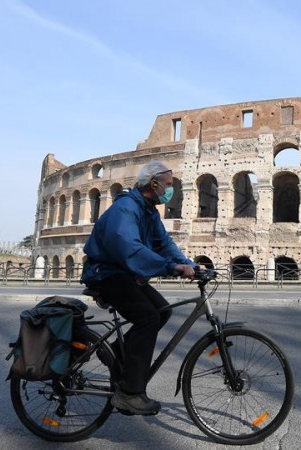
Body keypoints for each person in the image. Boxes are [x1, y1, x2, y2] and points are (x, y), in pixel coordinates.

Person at [81, 161, 196, 415]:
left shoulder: (148, 211)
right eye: (168, 184)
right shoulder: (126, 209)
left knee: (163, 310)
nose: (171, 190)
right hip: (106, 274)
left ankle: (116, 353)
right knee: (148, 318)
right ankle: (129, 393)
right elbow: (130, 249)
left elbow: (164, 243)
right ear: (153, 183)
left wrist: (188, 264)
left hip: (125, 273)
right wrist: (171, 268)